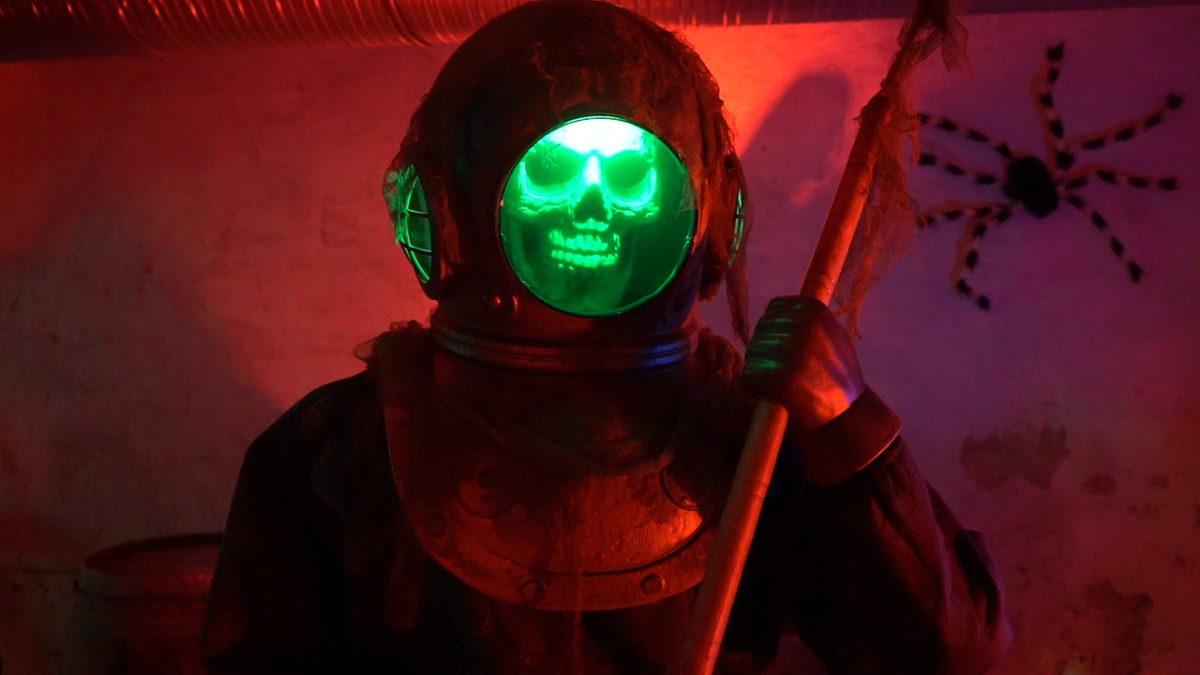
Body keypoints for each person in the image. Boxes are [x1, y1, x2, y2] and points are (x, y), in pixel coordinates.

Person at [199, 2, 1012, 673]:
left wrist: (849, 427)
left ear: (706, 215)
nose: (590, 205)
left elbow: (954, 656)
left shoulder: (757, 446)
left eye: (627, 175)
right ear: (446, 215)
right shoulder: (339, 453)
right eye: (553, 172)